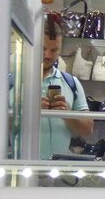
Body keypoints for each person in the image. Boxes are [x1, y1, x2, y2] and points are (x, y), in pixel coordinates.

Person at [40, 12, 93, 158]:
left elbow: (88, 129)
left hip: (58, 167)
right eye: (43, 48)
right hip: (22, 166)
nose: (48, 55)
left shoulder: (71, 83)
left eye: (54, 50)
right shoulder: (14, 82)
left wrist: (67, 114)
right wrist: (29, 113)